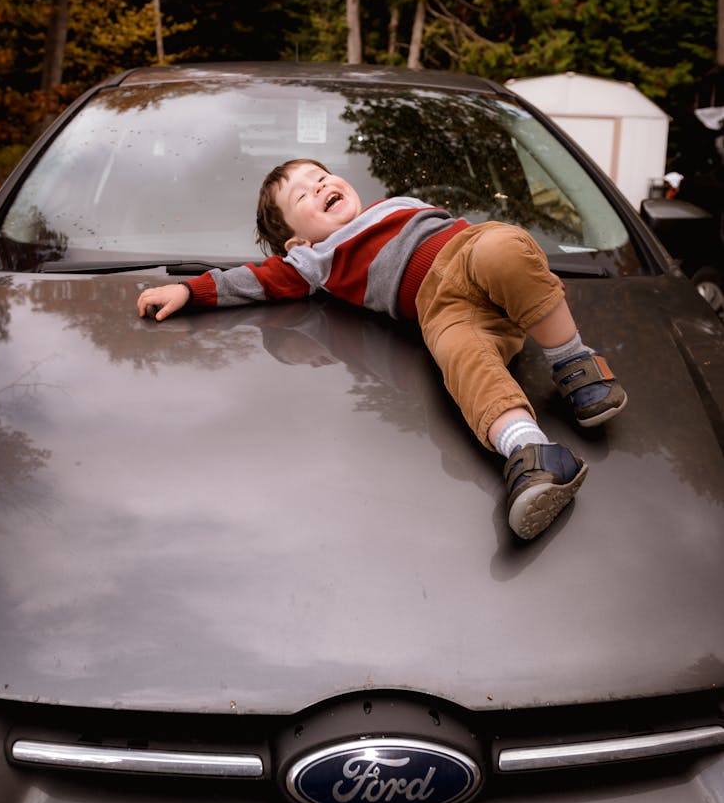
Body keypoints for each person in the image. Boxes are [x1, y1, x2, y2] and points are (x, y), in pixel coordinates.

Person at [137, 159, 627, 540]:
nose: (321, 186)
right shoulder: (315, 260)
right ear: (296, 242)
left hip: (472, 254)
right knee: (459, 359)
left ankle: (574, 365)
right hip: (443, 309)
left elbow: (481, 240)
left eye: (322, 176)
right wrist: (192, 290)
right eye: (302, 194)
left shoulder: (397, 205)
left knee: (505, 250)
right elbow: (255, 280)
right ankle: (532, 453)